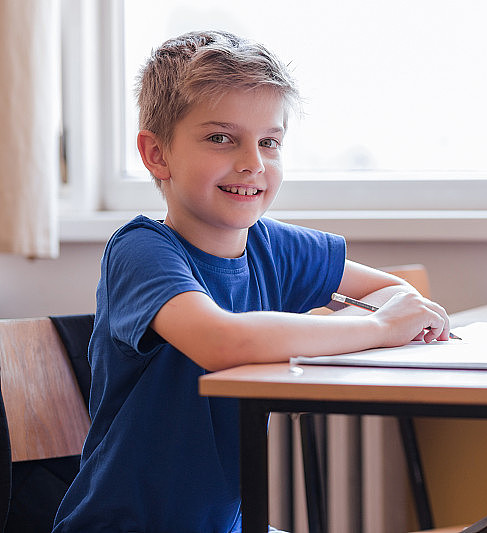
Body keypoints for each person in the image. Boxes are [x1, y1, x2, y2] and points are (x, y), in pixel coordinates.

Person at [53, 30, 451, 533]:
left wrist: (383, 317)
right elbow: (221, 341)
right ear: (157, 154)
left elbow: (395, 293)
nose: (252, 163)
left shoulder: (273, 246)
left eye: (269, 142)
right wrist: (378, 329)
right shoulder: (140, 249)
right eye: (221, 138)